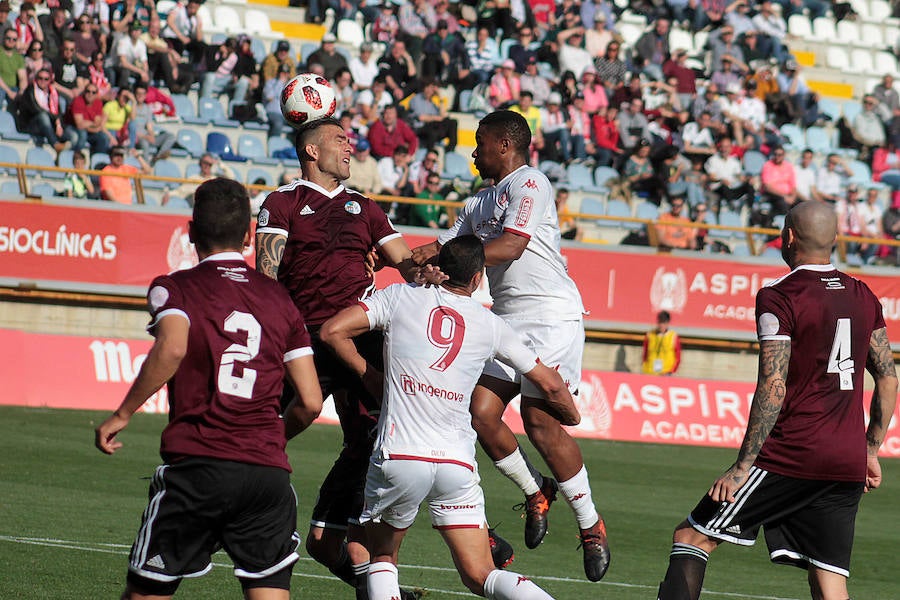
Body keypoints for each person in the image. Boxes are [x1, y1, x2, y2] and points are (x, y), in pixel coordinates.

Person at [95, 177, 324, 600]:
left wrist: (123, 413)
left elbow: (172, 346)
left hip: (200, 465)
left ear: (190, 231)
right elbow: (310, 402)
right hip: (267, 475)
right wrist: (270, 438)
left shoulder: (175, 287)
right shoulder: (281, 300)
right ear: (250, 235)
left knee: (146, 593)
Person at [656, 200, 898, 600]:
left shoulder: (779, 295)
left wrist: (742, 466)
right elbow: (888, 379)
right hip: (847, 459)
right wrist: (869, 450)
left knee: (692, 537)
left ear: (787, 238)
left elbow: (773, 383)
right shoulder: (863, 293)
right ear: (836, 240)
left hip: (794, 451)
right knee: (829, 577)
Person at [253, 117, 453, 600]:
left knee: (391, 439)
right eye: (340, 140)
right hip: (303, 342)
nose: (350, 146)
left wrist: (441, 263)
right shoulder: (282, 202)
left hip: (361, 337)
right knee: (263, 432)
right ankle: (244, 487)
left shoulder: (364, 207)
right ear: (311, 151)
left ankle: (465, 526)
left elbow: (407, 264)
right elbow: (265, 276)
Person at [411, 110, 611, 582]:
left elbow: (512, 246)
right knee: (480, 413)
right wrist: (416, 258)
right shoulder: (477, 204)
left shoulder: (530, 183)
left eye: (480, 143)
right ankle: (535, 491)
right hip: (504, 319)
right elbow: (446, 253)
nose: (474, 153)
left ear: (504, 144)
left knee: (541, 425)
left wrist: (439, 254)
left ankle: (591, 525)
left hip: (551, 315)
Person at [319, 236, 576, 600]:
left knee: (382, 555)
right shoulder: (490, 324)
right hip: (456, 464)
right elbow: (549, 382)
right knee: (480, 574)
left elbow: (332, 331)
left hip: (401, 454)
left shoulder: (400, 296)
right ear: (477, 279)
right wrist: (572, 414)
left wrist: (370, 375)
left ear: (441, 266)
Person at [162, 153, 236, 206]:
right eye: (204, 163)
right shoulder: (194, 179)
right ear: (200, 164)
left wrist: (219, 163)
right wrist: (169, 194)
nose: (207, 166)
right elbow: (180, 191)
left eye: (209, 164)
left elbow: (231, 177)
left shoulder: (217, 179)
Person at [641, 311, 682, 375]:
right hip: (650, 372)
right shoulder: (650, 335)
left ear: (668, 323)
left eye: (664, 323)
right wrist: (645, 367)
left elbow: (678, 357)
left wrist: (671, 371)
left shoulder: (673, 336)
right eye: (660, 322)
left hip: (666, 373)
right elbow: (645, 354)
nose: (661, 325)